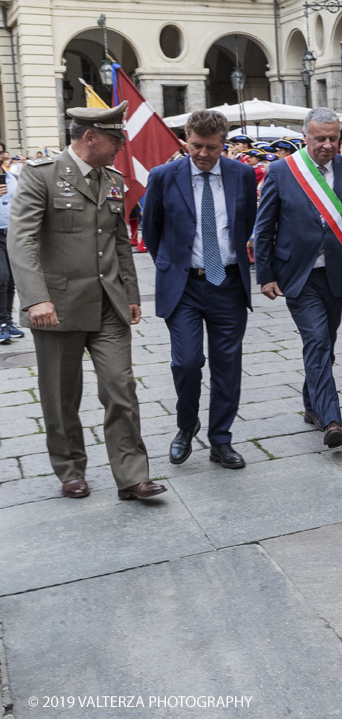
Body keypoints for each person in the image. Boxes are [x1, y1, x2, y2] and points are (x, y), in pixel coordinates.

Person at [8, 103, 165, 501]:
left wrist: (130, 293)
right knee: (62, 396)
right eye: (115, 140)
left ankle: (132, 476)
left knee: (120, 388)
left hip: (108, 304)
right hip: (56, 307)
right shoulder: (39, 176)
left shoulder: (112, 180)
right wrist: (35, 299)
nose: (120, 148)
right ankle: (70, 469)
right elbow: (21, 240)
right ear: (90, 137)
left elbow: (119, 241)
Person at [142, 110, 257, 470]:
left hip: (227, 283)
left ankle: (221, 439)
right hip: (184, 285)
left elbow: (247, 222)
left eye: (211, 147)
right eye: (196, 146)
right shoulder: (164, 176)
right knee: (187, 361)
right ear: (185, 140)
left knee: (227, 364)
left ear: (224, 144)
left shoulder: (242, 174)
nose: (203, 154)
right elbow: (151, 229)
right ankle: (185, 425)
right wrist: (170, 263)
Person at [254, 107, 342, 448]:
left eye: (334, 138)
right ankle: (331, 419)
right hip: (298, 275)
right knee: (318, 340)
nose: (327, 144)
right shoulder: (283, 170)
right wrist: (266, 275)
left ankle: (312, 404)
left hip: (337, 274)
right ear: (305, 137)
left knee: (325, 342)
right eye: (320, 138)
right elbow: (265, 227)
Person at [0, 156, 20, 343]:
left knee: (11, 281)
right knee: (2, 278)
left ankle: (7, 322)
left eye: (1, 152)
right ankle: (1, 323)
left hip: (11, 233)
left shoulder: (12, 178)